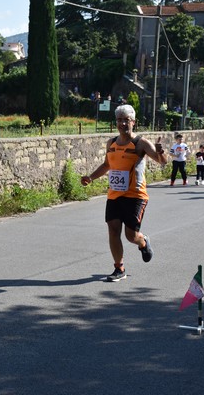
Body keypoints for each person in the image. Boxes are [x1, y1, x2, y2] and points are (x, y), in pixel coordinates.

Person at [80, 104, 167, 282]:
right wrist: (91, 177)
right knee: (113, 230)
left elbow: (162, 162)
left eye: (126, 120)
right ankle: (119, 268)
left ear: (133, 122)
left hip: (135, 196)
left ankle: (143, 242)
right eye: (119, 120)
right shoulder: (111, 143)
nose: (122, 123)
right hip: (114, 195)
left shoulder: (140, 143)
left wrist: (161, 151)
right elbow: (107, 165)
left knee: (130, 236)